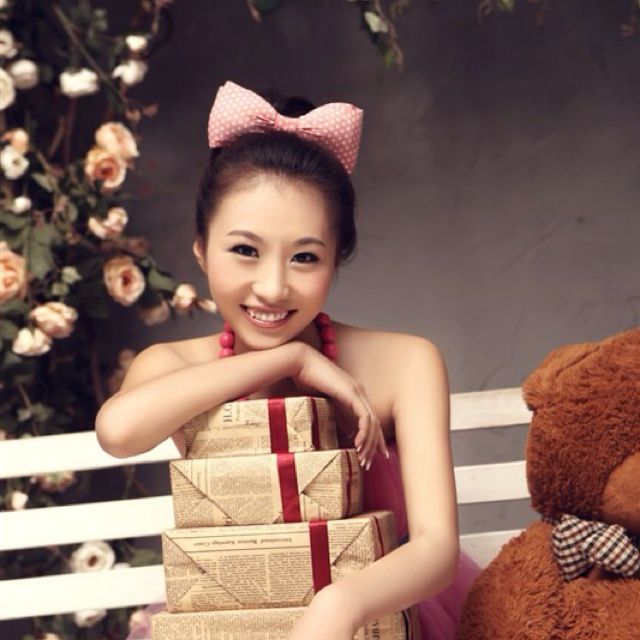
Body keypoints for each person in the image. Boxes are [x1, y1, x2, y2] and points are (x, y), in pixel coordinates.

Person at [96, 80, 481, 640]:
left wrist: (338, 607)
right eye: (245, 250)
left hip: (370, 618)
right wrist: (292, 359)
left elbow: (436, 547)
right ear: (201, 248)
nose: (273, 287)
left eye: (305, 257)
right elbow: (117, 432)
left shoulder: (406, 363)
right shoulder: (173, 367)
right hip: (238, 619)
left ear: (336, 260)